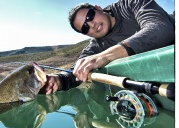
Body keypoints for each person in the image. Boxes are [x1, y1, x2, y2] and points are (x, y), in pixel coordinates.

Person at [39, 0, 175, 95]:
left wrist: (106, 56)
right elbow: (75, 72)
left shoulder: (131, 3)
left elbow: (161, 28)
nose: (91, 25)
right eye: (85, 28)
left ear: (98, 8)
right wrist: (58, 80)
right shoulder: (95, 47)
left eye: (90, 16)